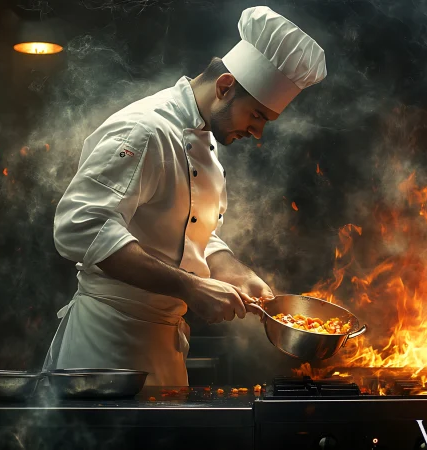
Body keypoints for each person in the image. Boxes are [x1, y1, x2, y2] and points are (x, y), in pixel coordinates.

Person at [42, 6, 327, 386]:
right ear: (225, 86)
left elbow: (196, 236)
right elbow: (80, 226)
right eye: (256, 116)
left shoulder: (206, 145)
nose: (257, 133)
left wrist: (243, 278)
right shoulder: (146, 130)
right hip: (104, 348)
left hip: (164, 349)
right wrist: (191, 287)